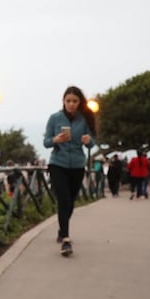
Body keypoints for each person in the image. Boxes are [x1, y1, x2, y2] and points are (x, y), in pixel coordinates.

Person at [42, 85, 97, 257]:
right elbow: (46, 142)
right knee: (63, 199)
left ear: (79, 102)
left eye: (74, 101)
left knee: (71, 201)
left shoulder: (84, 119)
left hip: (77, 165)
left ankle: (61, 229)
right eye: (68, 101)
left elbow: (92, 143)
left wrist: (88, 140)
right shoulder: (55, 118)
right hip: (58, 163)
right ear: (63, 101)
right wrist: (55, 139)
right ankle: (65, 239)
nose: (71, 104)